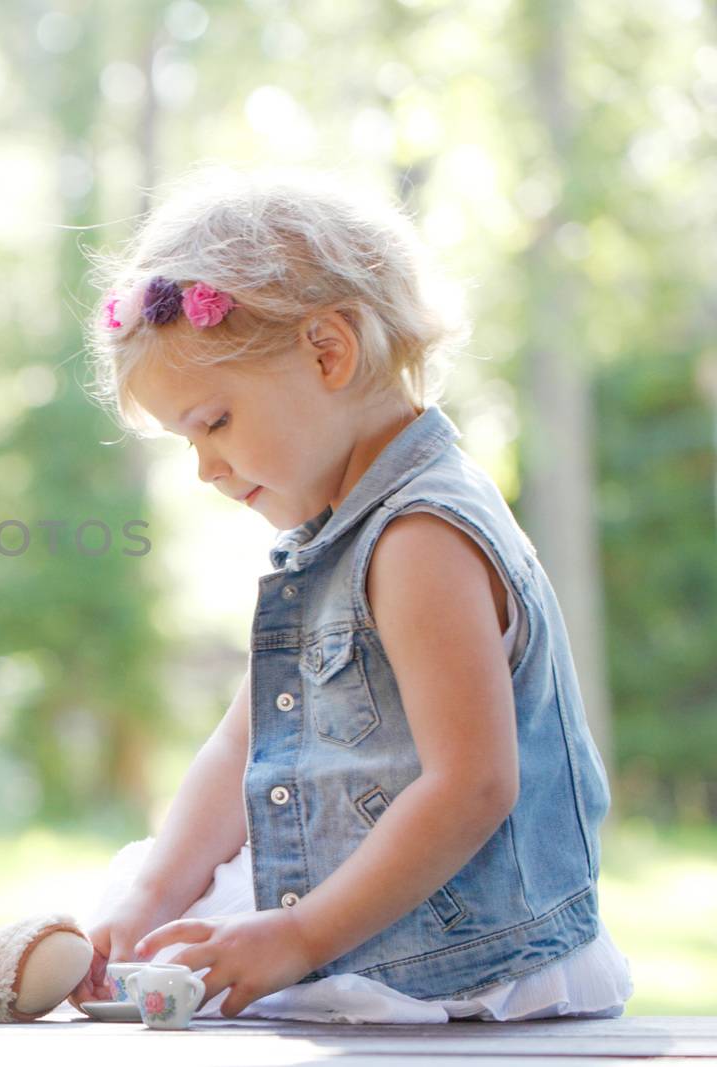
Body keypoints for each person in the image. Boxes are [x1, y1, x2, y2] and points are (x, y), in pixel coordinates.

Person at [72, 164, 632, 1023]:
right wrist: (149, 895)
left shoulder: (420, 538)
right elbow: (238, 750)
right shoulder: (332, 540)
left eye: (214, 422)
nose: (206, 468)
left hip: (449, 948)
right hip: (352, 917)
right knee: (146, 938)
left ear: (329, 351)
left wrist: (296, 938)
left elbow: (473, 785)